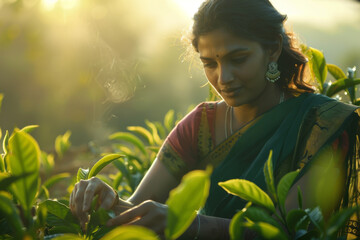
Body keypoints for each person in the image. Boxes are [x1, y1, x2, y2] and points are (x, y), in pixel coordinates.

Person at [69, 0, 360, 239]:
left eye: (238, 59)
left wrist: (191, 225)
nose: (224, 78)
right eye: (210, 63)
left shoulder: (320, 125)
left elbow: (286, 232)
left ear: (272, 49)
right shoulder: (200, 125)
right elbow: (134, 209)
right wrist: (105, 198)